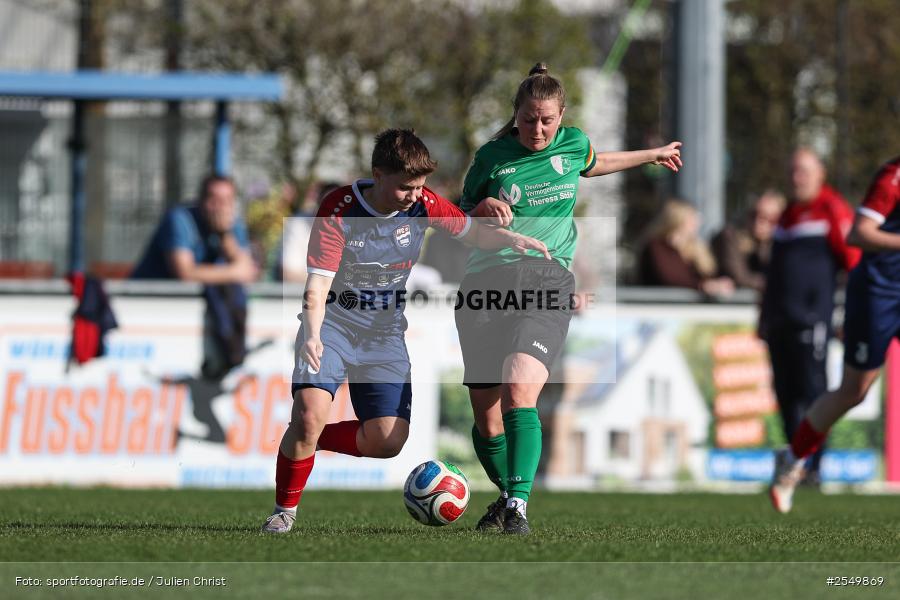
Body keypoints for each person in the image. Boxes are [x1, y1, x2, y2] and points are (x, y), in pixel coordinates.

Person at [261, 128, 552, 534]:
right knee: (309, 412)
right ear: (378, 174)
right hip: (333, 326)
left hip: (384, 336)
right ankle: (283, 511)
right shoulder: (339, 209)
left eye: (420, 186)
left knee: (387, 441)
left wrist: (510, 239)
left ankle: (307, 440)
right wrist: (311, 333)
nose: (415, 195)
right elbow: (317, 285)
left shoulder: (423, 203)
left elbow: (471, 232)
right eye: (404, 187)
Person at [454, 63, 682, 535]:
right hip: (484, 284)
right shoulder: (491, 157)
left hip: (547, 280)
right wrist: (478, 210)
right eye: (529, 119)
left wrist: (652, 155)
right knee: (488, 421)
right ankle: (507, 496)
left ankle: (516, 506)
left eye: (547, 121)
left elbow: (596, 163)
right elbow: (454, 218)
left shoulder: (573, 143)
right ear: (515, 114)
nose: (538, 129)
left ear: (561, 118)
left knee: (521, 388)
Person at [770, 156, 899, 513]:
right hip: (879, 294)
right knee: (852, 391)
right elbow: (859, 234)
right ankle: (794, 460)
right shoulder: (893, 176)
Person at [759, 148, 861, 491]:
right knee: (786, 397)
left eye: (803, 171)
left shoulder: (831, 209)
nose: (796, 178)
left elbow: (855, 263)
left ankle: (815, 468)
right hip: (779, 323)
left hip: (812, 321)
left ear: (821, 174)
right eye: (792, 171)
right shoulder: (786, 216)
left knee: (813, 395)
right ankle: (796, 467)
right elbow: (773, 275)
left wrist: (853, 313)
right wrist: (763, 318)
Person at [131, 174, 258, 284]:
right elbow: (185, 274)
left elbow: (248, 272)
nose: (220, 208)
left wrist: (224, 234)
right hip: (147, 302)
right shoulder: (179, 219)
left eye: (226, 201)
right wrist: (235, 273)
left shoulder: (235, 225)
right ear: (201, 201)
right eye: (214, 200)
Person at [638, 198, 735, 297]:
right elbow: (669, 278)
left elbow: (710, 273)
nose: (698, 223)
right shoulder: (656, 246)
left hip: (689, 309)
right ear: (678, 220)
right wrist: (704, 286)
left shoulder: (696, 249)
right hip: (660, 307)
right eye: (693, 218)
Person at [711, 190, 785, 292]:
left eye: (767, 217)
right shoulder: (730, 237)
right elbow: (738, 276)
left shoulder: (779, 242)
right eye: (753, 215)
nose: (758, 222)